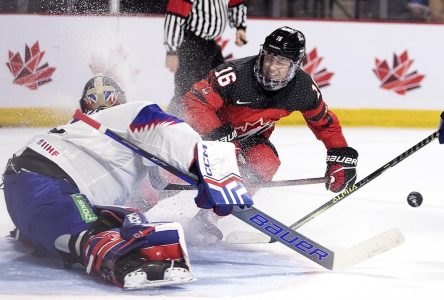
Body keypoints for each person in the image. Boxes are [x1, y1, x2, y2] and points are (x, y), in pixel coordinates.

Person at [2, 75, 252, 289]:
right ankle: (115, 250)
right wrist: (213, 169)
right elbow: (168, 130)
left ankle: (90, 236)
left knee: (116, 217)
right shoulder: (130, 112)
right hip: (44, 179)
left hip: (38, 182)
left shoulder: (80, 129)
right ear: (120, 99)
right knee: (86, 231)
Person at [182, 26, 359, 194]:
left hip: (246, 140)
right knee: (184, 168)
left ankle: (211, 217)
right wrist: (222, 143)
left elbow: (324, 123)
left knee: (265, 162)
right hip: (205, 135)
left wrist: (339, 155)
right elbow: (195, 102)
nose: (272, 67)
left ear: (295, 65)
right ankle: (153, 196)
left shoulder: (303, 89)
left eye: (282, 62)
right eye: (269, 58)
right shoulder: (234, 74)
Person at [163, 0, 248, 117]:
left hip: (211, 44)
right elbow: (174, 17)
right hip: (192, 43)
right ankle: (171, 121)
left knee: (219, 85)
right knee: (187, 89)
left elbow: (236, 3)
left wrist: (240, 27)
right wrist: (171, 50)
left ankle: (212, 121)